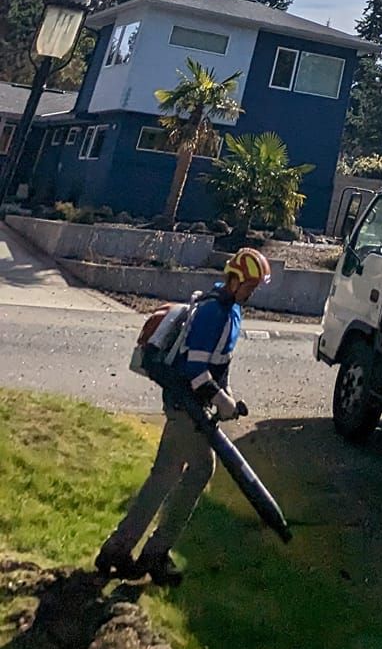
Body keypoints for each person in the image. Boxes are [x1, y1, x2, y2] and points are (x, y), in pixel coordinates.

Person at [94, 246, 271, 585]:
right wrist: (222, 402)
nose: (253, 292)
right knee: (195, 470)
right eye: (250, 285)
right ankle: (152, 554)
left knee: (166, 477)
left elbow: (220, 365)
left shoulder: (231, 311)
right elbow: (195, 371)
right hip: (184, 409)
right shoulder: (214, 314)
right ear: (234, 281)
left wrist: (226, 396)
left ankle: (121, 550)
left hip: (189, 408)